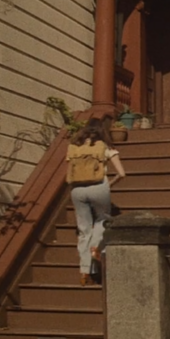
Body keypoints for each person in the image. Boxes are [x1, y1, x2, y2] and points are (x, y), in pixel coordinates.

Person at [66, 117, 126, 285]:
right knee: (102, 219)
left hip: (77, 189)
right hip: (99, 186)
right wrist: (109, 184)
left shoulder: (74, 147)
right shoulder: (105, 147)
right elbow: (122, 173)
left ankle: (85, 270)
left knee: (83, 229)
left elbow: (70, 172)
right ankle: (96, 247)